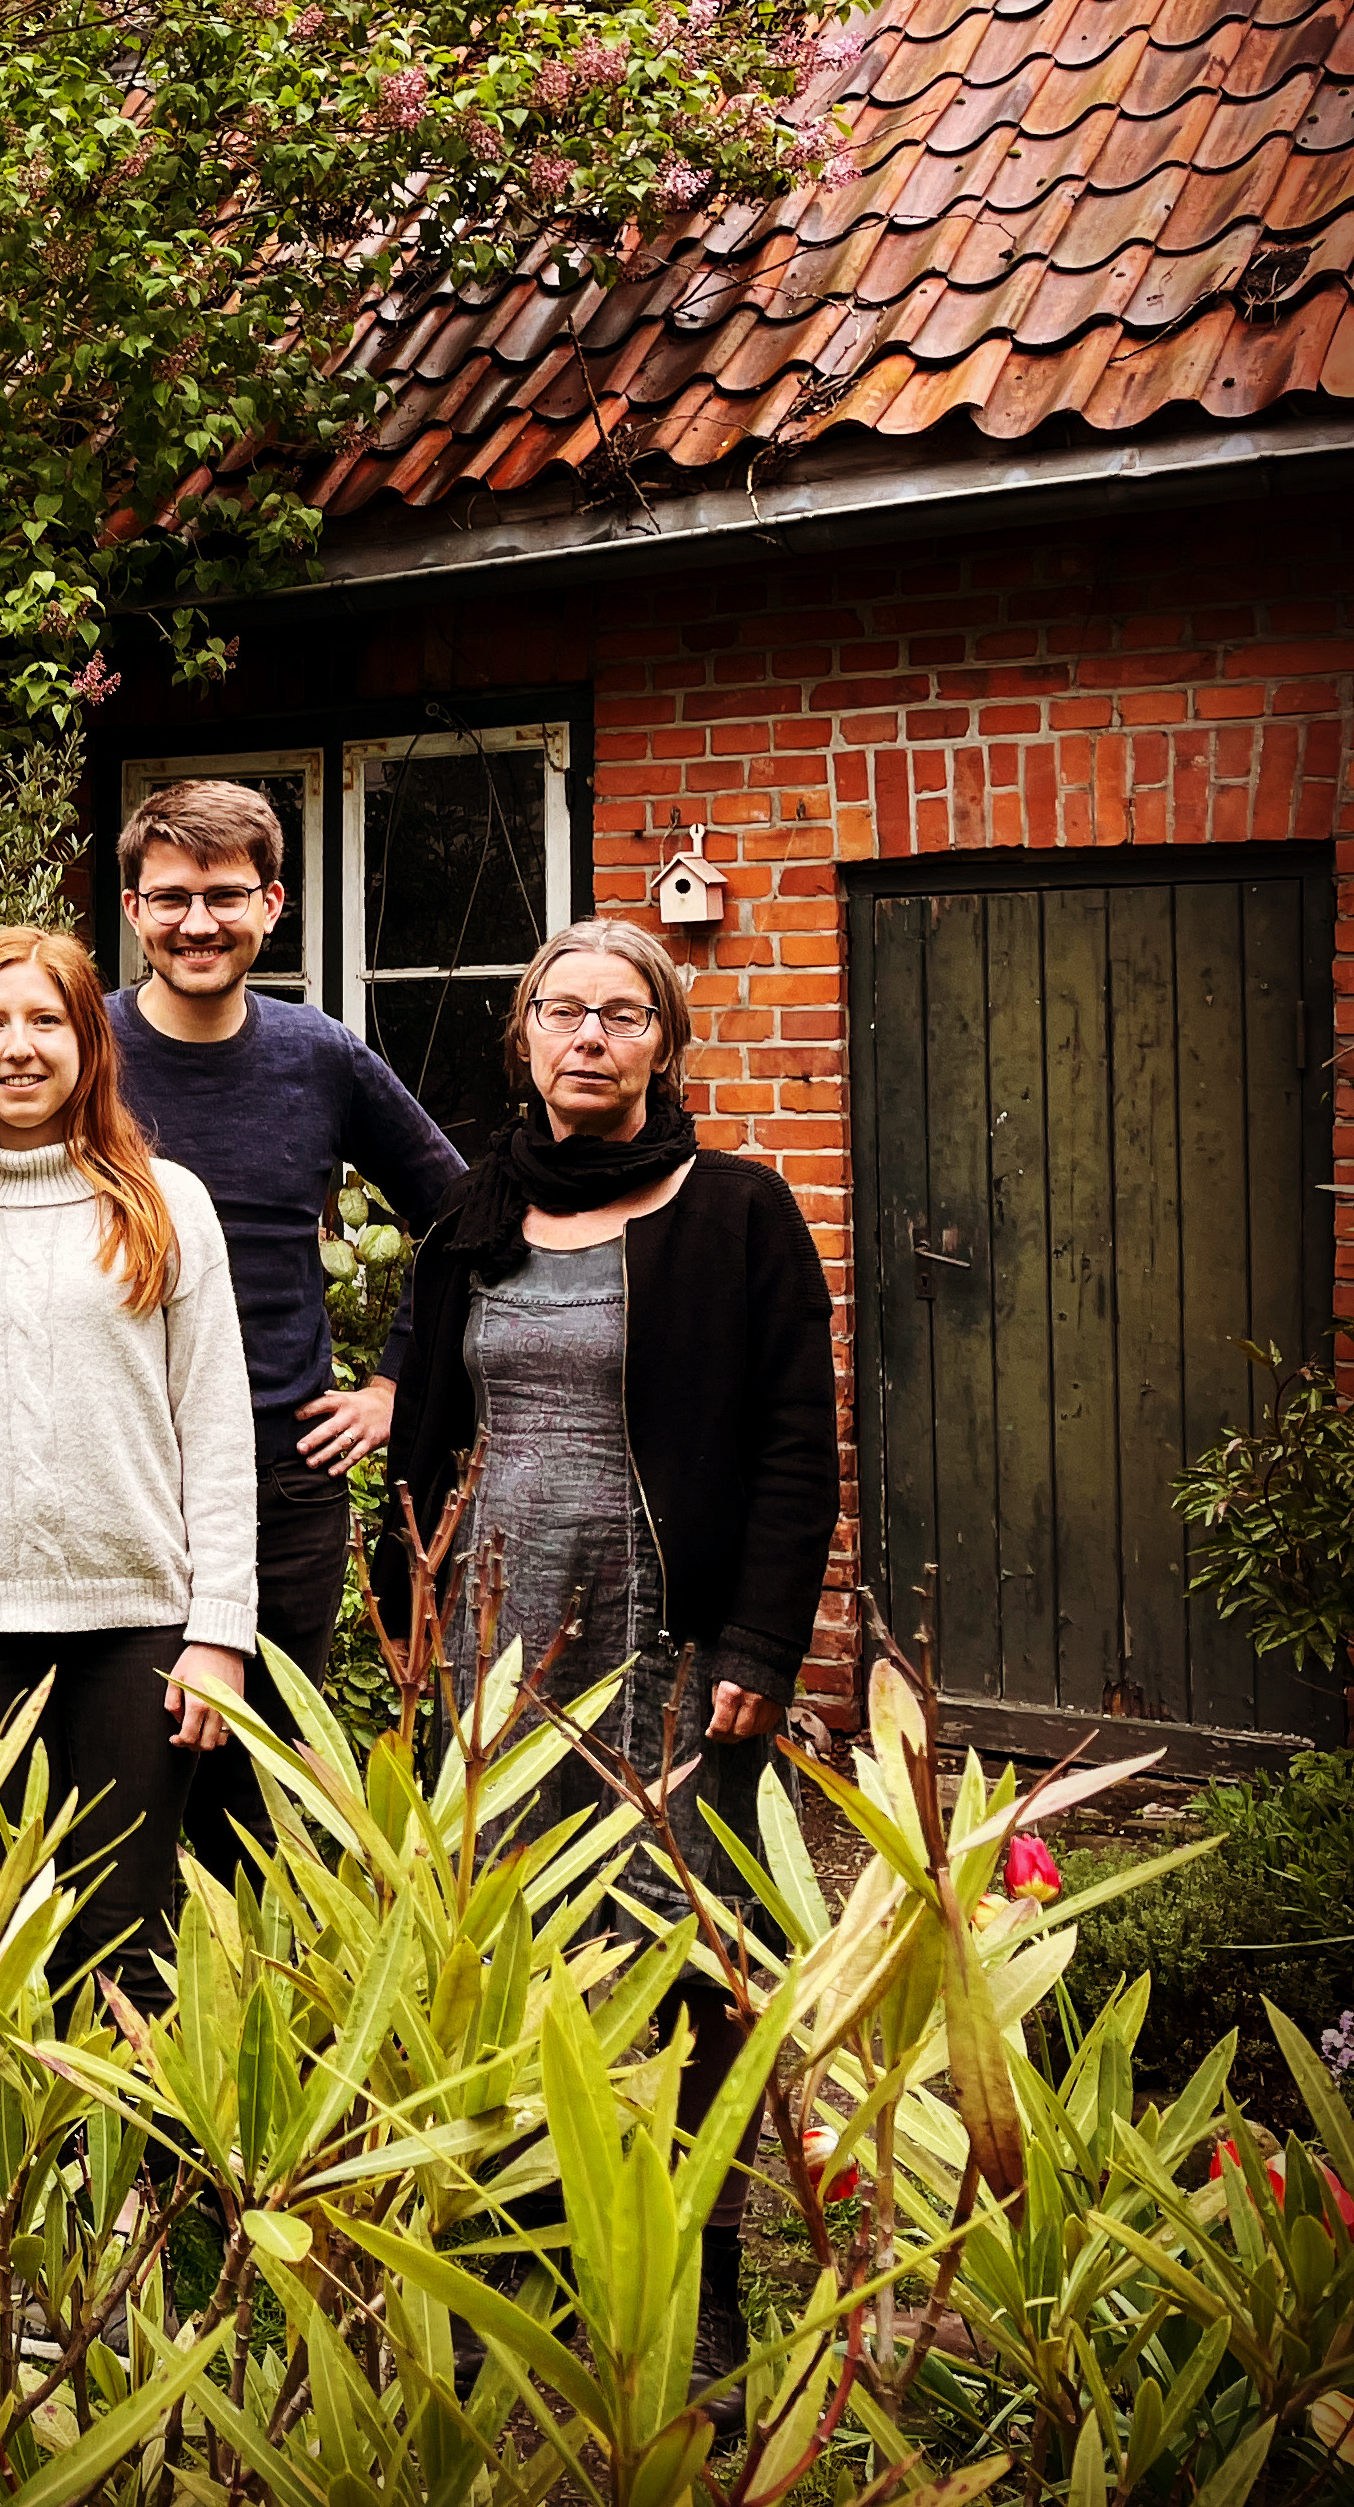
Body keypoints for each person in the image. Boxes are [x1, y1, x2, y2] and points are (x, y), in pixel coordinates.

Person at [382, 916, 836, 2412]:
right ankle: (504, 2273)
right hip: (495, 1645)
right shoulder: (472, 1217)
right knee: (508, 1955)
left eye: (621, 1015)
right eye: (562, 1012)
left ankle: (694, 2294)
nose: (589, 1036)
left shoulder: (741, 1213)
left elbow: (792, 1449)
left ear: (663, 1042)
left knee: (685, 1964)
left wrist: (765, 1641)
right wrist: (405, 1637)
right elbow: (423, 1434)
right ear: (523, 1039)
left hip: (675, 1645)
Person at [0, 925, 254, 1996]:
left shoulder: (169, 1205)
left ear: (90, 1042)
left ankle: (130, 2167)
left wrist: (220, 1631)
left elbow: (216, 1432)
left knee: (127, 1930)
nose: (18, 1047)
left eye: (45, 1021)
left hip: (137, 1623)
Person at [100, 779, 465, 1879]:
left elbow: (459, 1217)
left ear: (271, 904)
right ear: (132, 910)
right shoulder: (81, 1050)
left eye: (222, 896)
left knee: (253, 1776)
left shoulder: (322, 1057)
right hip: (121, 1463)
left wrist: (393, 1385)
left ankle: (239, 2013)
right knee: (120, 1771)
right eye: (169, 898)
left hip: (280, 1468)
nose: (196, 923)